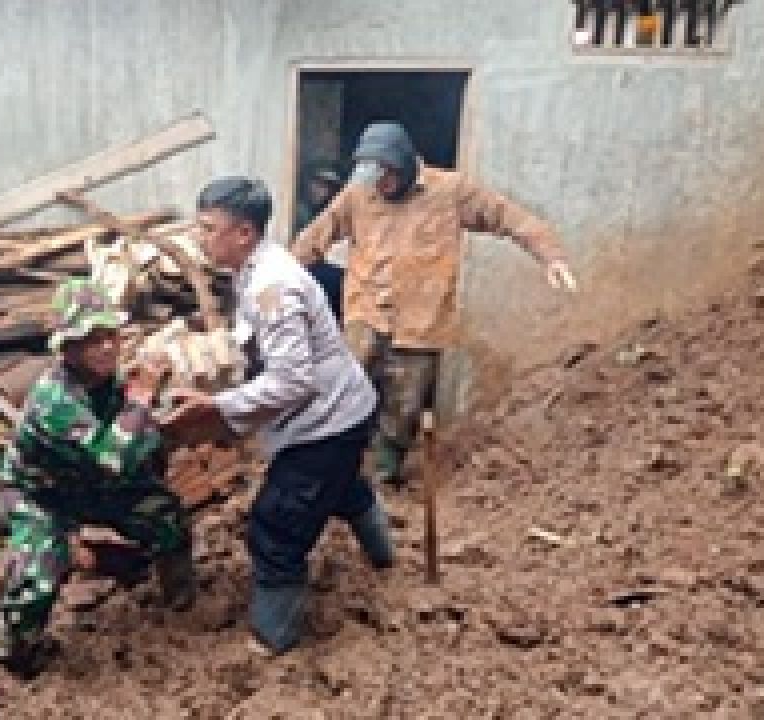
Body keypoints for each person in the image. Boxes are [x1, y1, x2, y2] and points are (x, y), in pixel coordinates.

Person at [164, 177, 395, 656]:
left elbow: (293, 381)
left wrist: (220, 406)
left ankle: (275, 639)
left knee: (276, 525)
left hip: (327, 420)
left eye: (208, 228)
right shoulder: (248, 269)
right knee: (339, 486)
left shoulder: (275, 286)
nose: (199, 237)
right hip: (329, 413)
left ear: (244, 233)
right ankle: (383, 553)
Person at [295, 122, 578, 486]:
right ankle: (336, 469)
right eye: (374, 179)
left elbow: (509, 216)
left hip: (420, 322)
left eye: (387, 177)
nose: (379, 186)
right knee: (347, 390)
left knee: (404, 404)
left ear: (403, 165)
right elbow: (315, 237)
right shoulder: (357, 194)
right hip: (365, 313)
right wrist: (278, 278)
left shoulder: (451, 191)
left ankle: (384, 473)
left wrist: (550, 256)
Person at [0, 277, 196, 671]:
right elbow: (113, 456)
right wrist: (141, 402)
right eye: (91, 338)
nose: (105, 347)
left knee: (166, 515)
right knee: (38, 577)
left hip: (93, 484)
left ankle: (178, 603)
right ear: (68, 347)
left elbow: (142, 442)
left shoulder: (110, 382)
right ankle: (13, 652)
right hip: (39, 494)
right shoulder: (55, 399)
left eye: (110, 336)